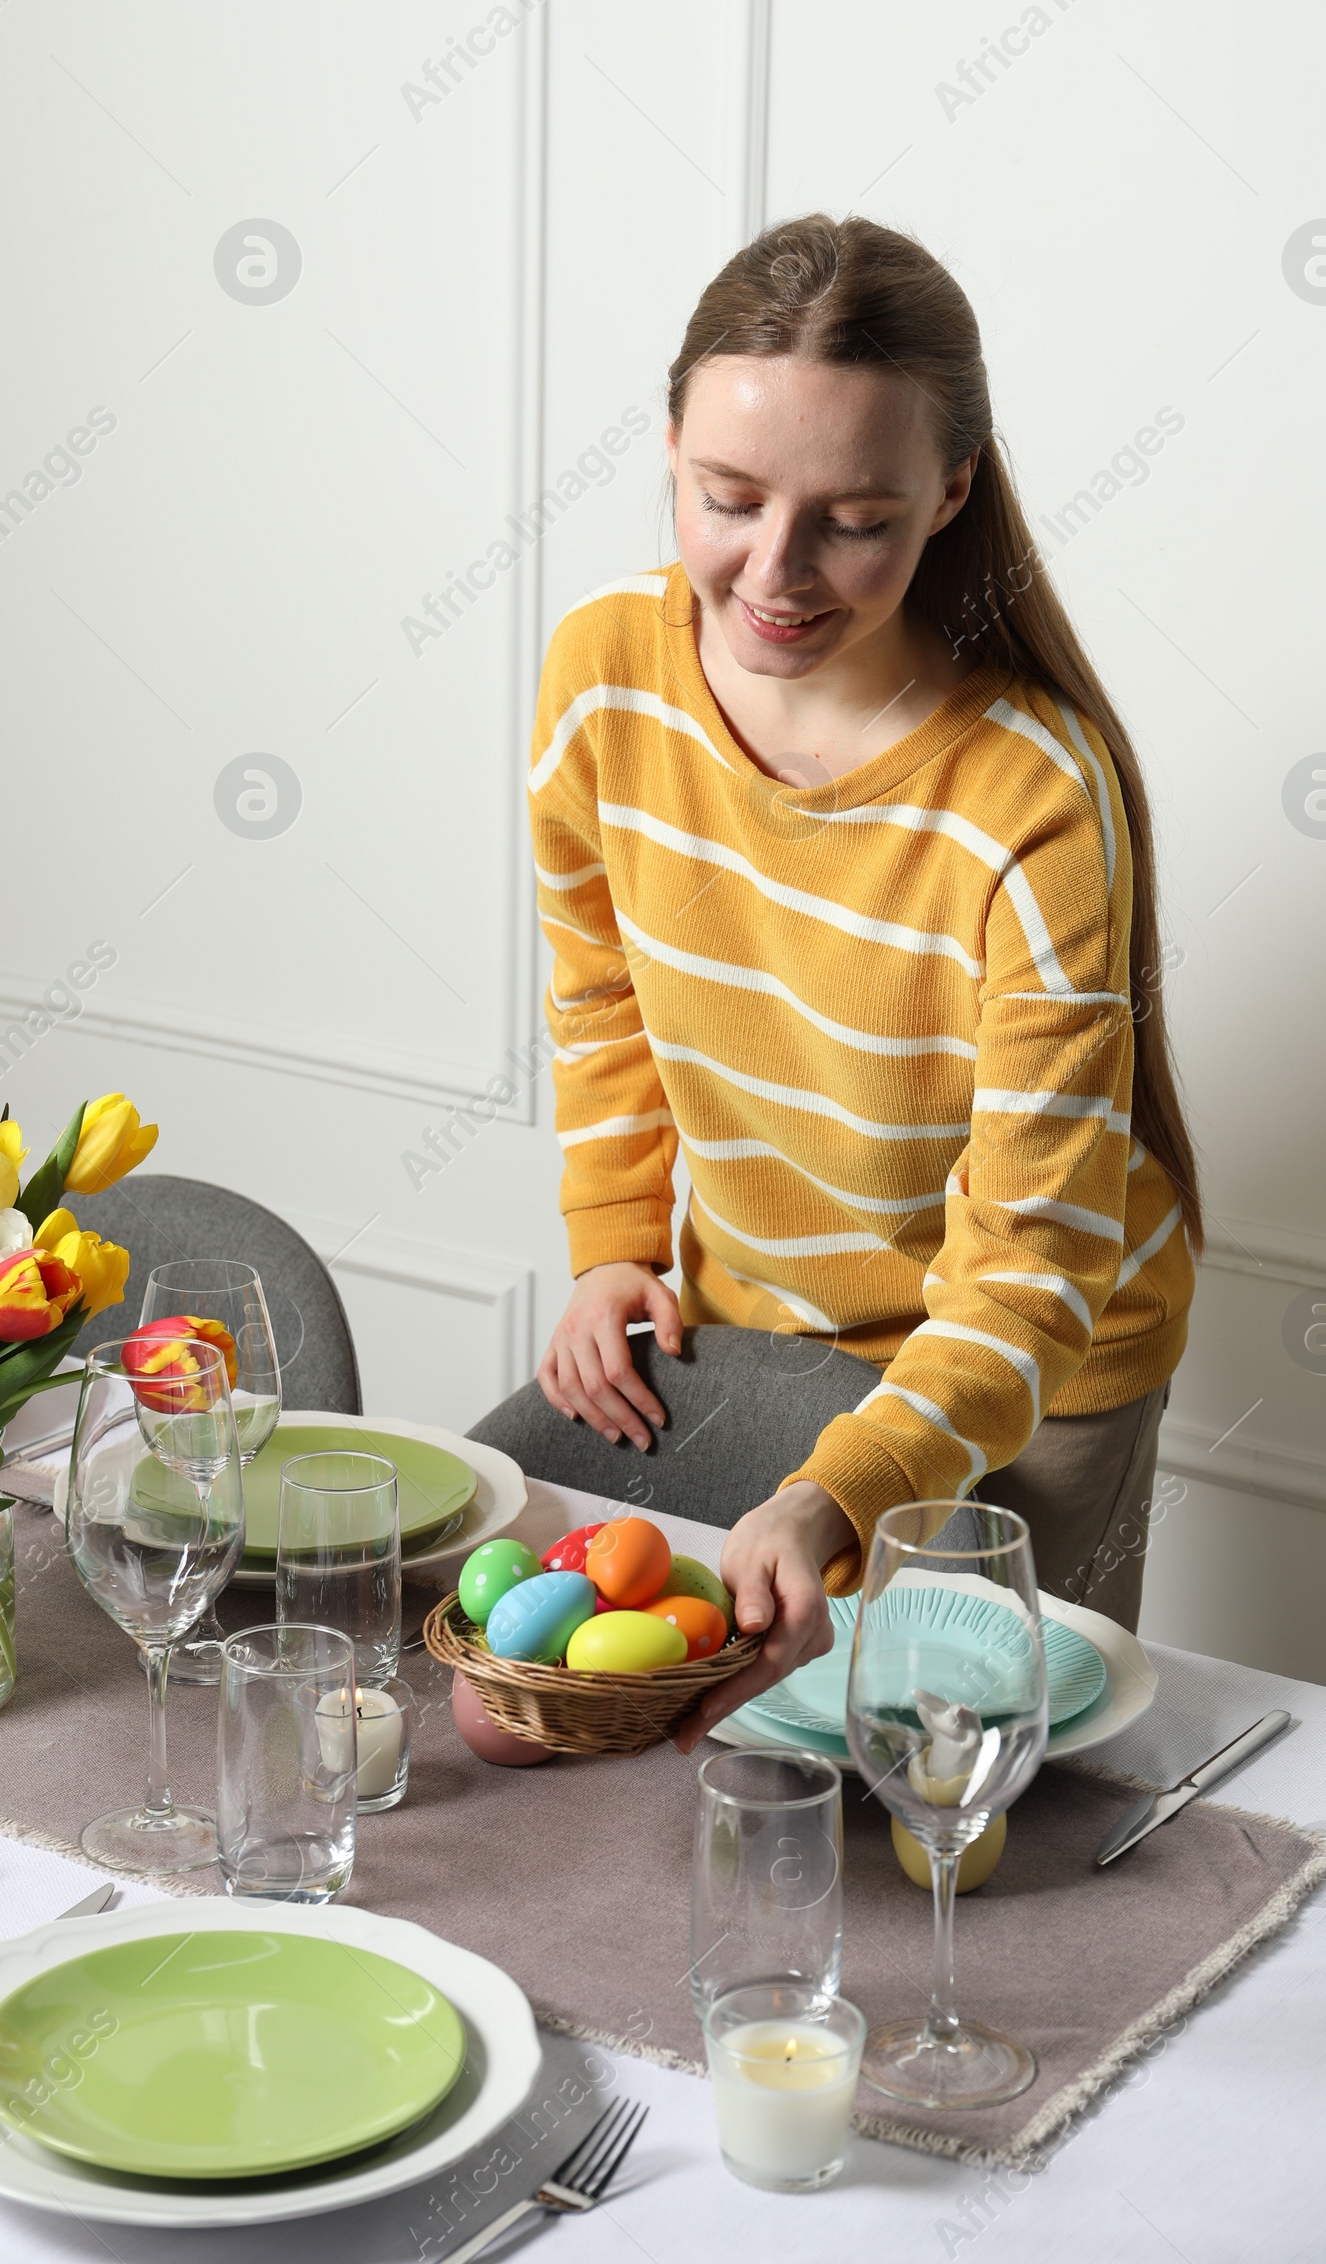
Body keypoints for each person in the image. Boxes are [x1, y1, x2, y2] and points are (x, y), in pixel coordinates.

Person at [468, 214, 1196, 1745]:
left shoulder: (1034, 803)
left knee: (959, 1800)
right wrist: (612, 1244)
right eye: (726, 499)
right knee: (727, 1768)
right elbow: (603, 991)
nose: (775, 573)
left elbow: (1028, 1272)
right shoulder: (604, 674)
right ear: (669, 447)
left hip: (1034, 1364)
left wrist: (840, 1493)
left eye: (854, 520)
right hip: (764, 1319)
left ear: (950, 492)